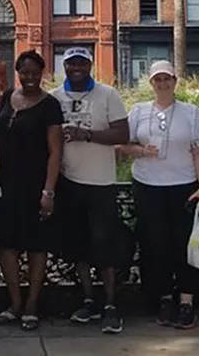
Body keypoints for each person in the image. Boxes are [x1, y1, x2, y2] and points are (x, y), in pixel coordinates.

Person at [119, 60, 199, 329]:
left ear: (175, 81)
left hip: (183, 185)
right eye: (157, 79)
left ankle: (186, 301)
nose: (163, 84)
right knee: (154, 245)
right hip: (148, 185)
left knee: (186, 245)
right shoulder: (138, 111)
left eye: (167, 78)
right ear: (151, 83)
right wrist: (139, 151)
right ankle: (162, 298)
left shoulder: (191, 113)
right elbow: (122, 144)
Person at [51, 47, 131, 334]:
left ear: (90, 65)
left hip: (101, 183)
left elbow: (122, 134)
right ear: (64, 66)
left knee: (104, 247)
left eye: (82, 63)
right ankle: (88, 300)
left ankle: (110, 305)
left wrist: (86, 134)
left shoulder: (107, 94)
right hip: (68, 182)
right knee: (79, 247)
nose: (76, 68)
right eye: (71, 63)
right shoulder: (55, 98)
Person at [0, 50, 64, 332]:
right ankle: (15, 303)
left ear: (42, 73)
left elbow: (55, 150)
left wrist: (49, 191)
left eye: (35, 73)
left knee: (36, 246)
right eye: (25, 72)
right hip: (6, 184)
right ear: (18, 73)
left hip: (36, 183)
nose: (30, 78)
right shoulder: (6, 96)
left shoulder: (50, 105)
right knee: (6, 244)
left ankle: (32, 305)